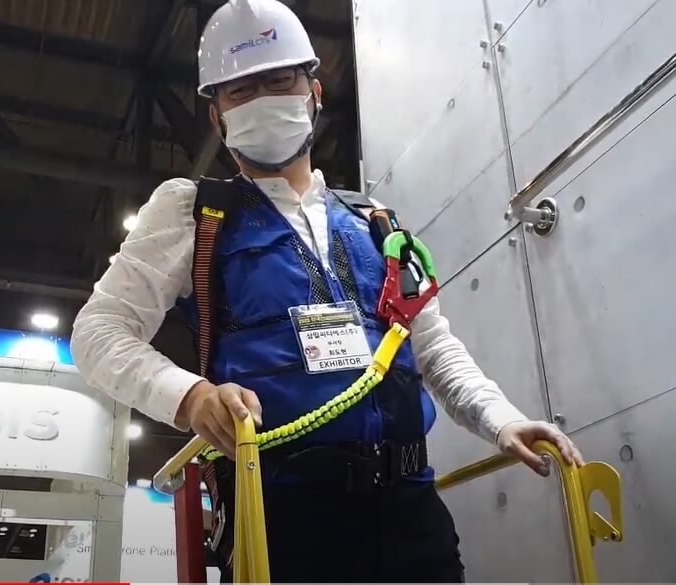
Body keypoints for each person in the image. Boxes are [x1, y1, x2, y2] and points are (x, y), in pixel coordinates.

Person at [71, 0, 584, 582]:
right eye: (241, 91)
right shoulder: (193, 212)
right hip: (282, 513)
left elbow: (432, 347)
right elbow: (98, 332)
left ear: (314, 93)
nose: (263, 99)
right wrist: (190, 397)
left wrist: (501, 420)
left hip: (411, 509)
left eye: (279, 81)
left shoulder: (377, 223)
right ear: (217, 116)